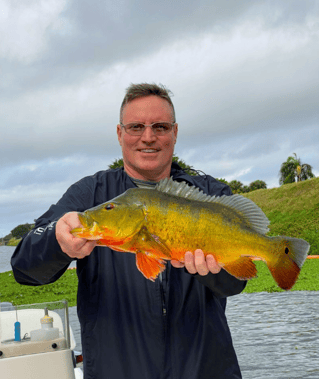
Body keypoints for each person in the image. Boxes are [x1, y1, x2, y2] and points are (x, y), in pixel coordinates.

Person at [11, 83, 246, 379]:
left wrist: (213, 270)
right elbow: (23, 267)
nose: (148, 137)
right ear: (120, 134)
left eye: (160, 126)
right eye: (136, 127)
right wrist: (55, 241)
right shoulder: (89, 196)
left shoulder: (211, 194)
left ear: (175, 133)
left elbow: (235, 284)